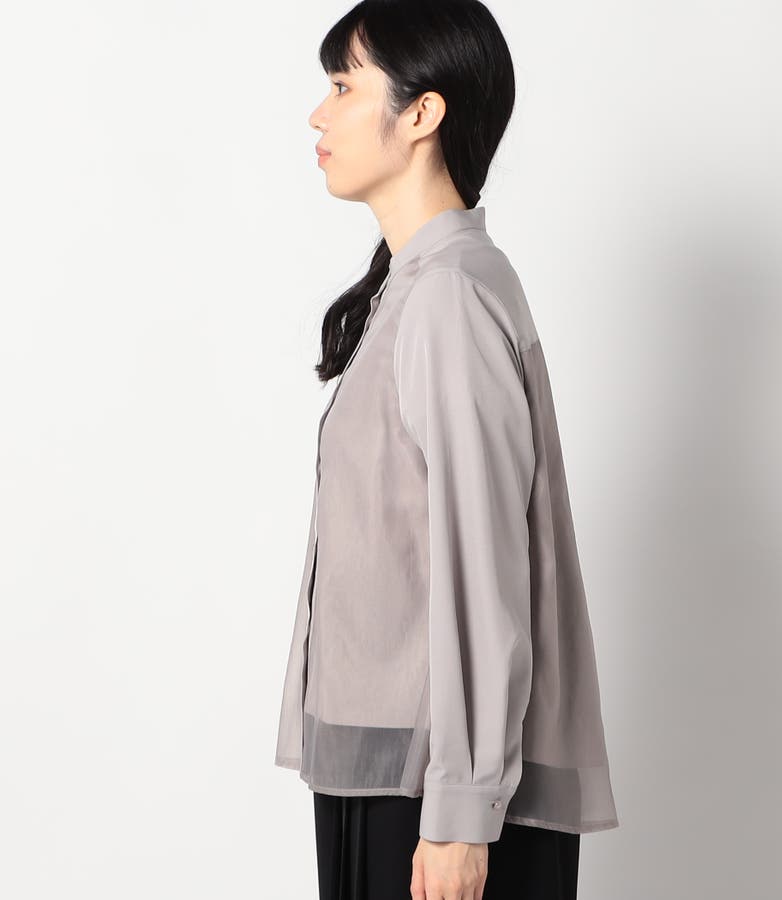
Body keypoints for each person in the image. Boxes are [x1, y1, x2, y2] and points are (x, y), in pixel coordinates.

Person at [275, 2, 619, 898]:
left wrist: (462, 814)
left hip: (430, 796)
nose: (318, 113)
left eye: (343, 86)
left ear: (422, 112)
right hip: (396, 776)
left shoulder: (448, 299)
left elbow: (481, 566)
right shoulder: (417, 288)